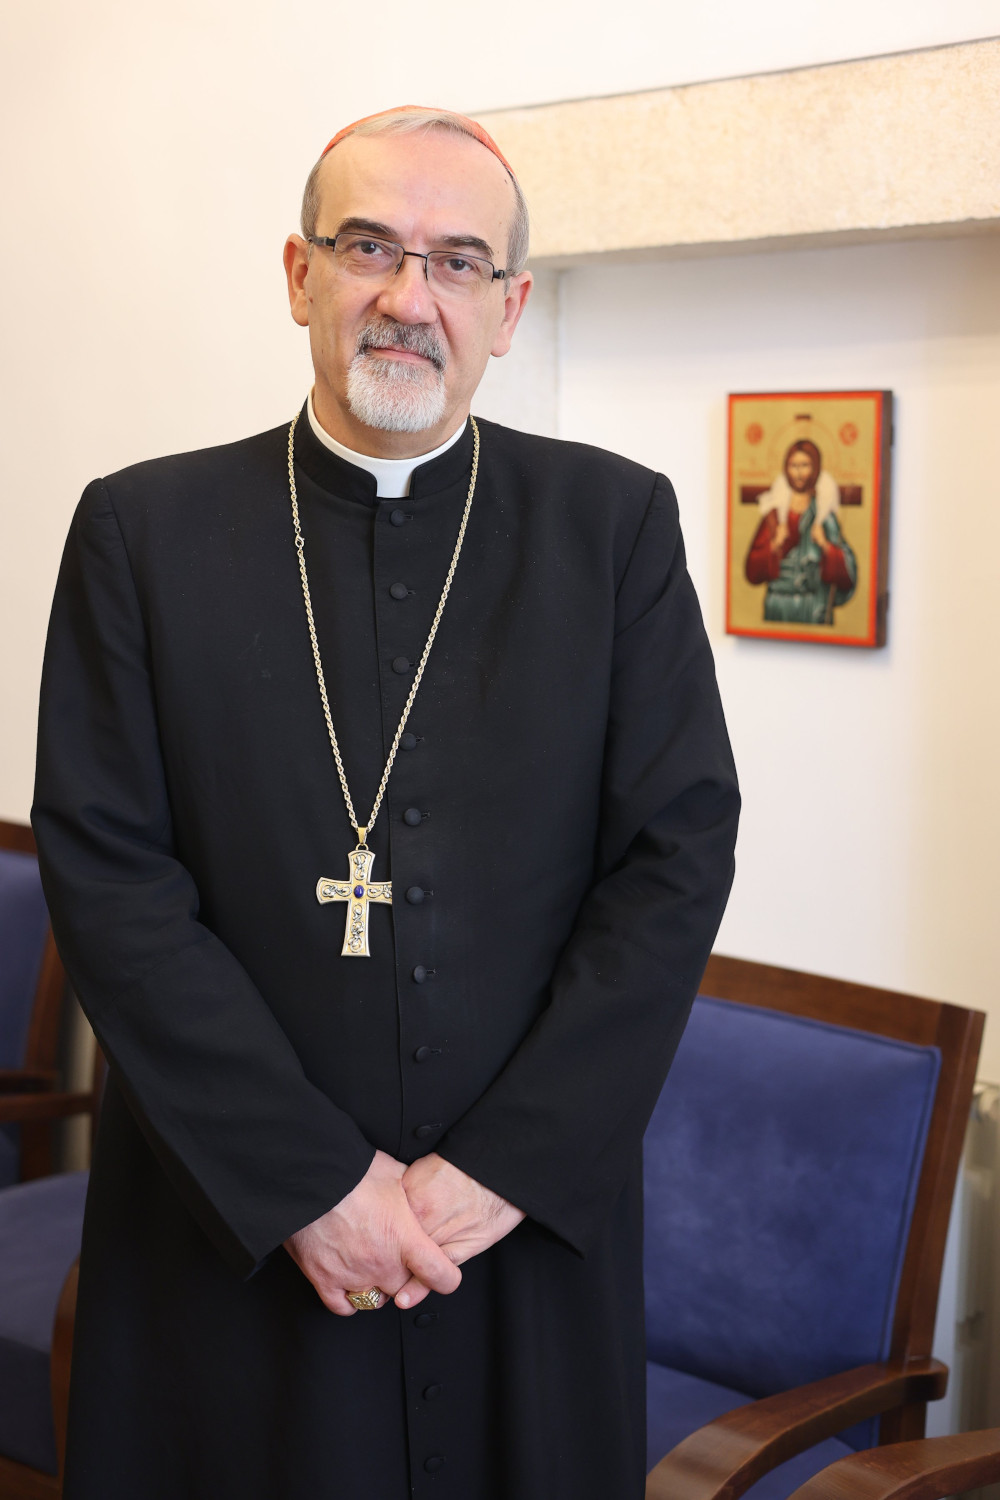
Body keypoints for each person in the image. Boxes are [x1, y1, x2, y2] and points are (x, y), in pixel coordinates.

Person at [32, 106, 740, 1500]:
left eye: (460, 262)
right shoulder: (141, 531)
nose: (411, 298)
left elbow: (674, 856)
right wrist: (310, 1186)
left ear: (510, 306)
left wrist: (505, 1170)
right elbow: (109, 874)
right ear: (299, 275)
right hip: (228, 1237)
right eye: (370, 247)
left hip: (516, 1242)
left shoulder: (614, 531)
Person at [745, 437, 857, 625]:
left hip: (813, 607)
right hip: (778, 605)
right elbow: (752, 571)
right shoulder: (773, 517)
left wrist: (825, 545)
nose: (798, 472)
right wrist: (774, 545)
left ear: (815, 469)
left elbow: (848, 575)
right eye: (793, 465)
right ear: (785, 469)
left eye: (804, 465)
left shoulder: (824, 517)